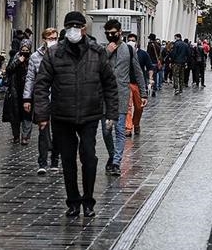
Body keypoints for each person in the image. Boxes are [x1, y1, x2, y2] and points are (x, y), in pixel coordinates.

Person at [33, 12, 121, 217]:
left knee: (89, 156)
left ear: (84, 29)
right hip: (62, 114)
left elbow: (110, 84)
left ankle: (88, 201)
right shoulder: (54, 53)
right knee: (68, 159)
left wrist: (111, 113)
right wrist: (42, 115)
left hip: (90, 113)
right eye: (69, 26)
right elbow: (41, 85)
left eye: (77, 26)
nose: (73, 30)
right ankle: (72, 201)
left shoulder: (97, 52)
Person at [101, 19, 144, 176]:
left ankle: (116, 162)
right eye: (107, 33)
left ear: (120, 32)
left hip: (122, 95)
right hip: (105, 97)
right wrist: (107, 52)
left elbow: (138, 71)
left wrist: (143, 92)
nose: (110, 35)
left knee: (120, 130)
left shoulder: (129, 50)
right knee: (106, 131)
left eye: (113, 33)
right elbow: (95, 67)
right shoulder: (102, 49)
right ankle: (112, 155)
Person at [23, 27, 60, 175]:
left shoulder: (61, 54)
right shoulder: (35, 57)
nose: (53, 41)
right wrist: (27, 98)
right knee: (43, 129)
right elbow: (30, 78)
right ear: (44, 39)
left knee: (58, 131)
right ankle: (42, 162)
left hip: (58, 98)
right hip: (42, 97)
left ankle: (55, 160)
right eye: (50, 39)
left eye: (55, 38)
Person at [2, 40, 33, 144]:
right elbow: (8, 70)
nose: (25, 52)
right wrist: (18, 61)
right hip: (15, 90)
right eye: (23, 50)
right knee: (15, 115)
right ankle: (16, 136)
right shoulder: (15, 57)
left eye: (27, 50)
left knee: (27, 114)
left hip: (28, 92)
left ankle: (25, 137)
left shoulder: (32, 59)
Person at [125, 33, 151, 137]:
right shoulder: (123, 53)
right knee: (127, 107)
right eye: (129, 40)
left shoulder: (142, 54)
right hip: (127, 84)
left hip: (137, 84)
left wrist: (150, 80)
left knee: (139, 107)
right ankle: (128, 127)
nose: (131, 42)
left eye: (133, 40)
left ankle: (136, 124)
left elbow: (146, 69)